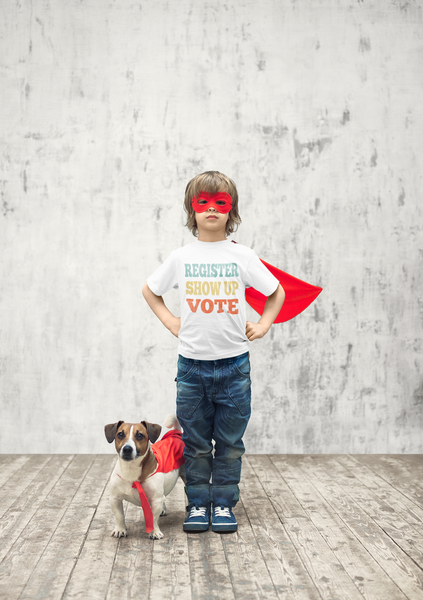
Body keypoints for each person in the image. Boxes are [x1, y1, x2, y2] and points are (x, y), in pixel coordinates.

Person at [142, 170, 285, 533]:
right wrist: (172, 321)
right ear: (192, 210)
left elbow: (276, 292)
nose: (211, 209)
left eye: (219, 203)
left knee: (230, 444)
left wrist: (264, 323)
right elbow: (150, 290)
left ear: (230, 209)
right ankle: (197, 505)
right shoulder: (181, 257)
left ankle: (222, 504)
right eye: (202, 202)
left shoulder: (243, 256)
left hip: (234, 368)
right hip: (192, 369)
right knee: (195, 443)